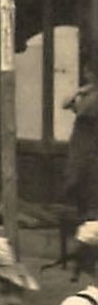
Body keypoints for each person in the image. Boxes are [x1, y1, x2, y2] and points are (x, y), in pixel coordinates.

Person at [63, 81, 98, 220]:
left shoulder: (92, 97)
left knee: (92, 174)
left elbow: (83, 110)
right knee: (77, 175)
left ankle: (91, 214)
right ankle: (83, 213)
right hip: (81, 138)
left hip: (92, 137)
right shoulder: (87, 93)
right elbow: (65, 104)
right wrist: (78, 92)